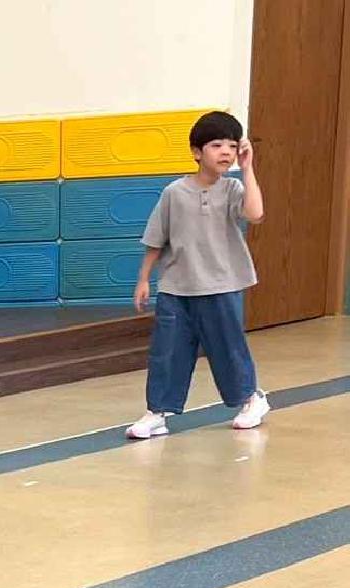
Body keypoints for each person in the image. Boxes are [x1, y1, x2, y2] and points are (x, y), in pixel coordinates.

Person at [127, 111, 269, 441]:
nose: (225, 152)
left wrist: (248, 168)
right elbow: (156, 239)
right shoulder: (174, 193)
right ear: (196, 152)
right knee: (167, 351)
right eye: (216, 145)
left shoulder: (233, 188)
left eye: (231, 146)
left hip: (222, 285)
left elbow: (255, 213)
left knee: (227, 347)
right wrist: (144, 279)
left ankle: (251, 399)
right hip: (177, 288)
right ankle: (157, 412)